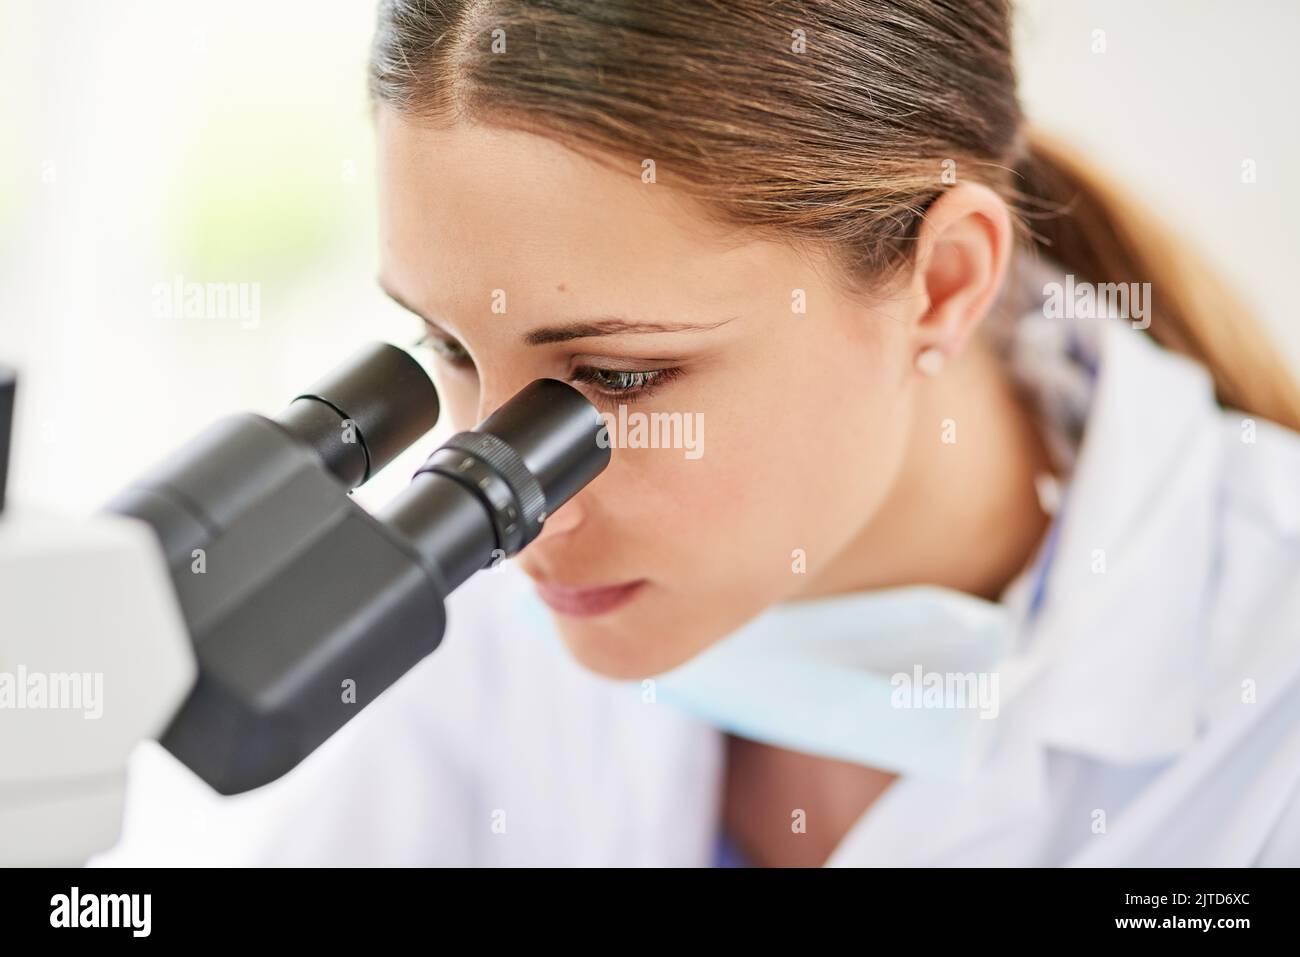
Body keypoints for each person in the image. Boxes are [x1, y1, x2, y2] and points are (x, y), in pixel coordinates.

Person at [109, 0, 1300, 867]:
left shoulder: (1268, 697)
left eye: (620, 375)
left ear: (942, 283)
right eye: (449, 353)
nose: (522, 519)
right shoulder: (473, 630)